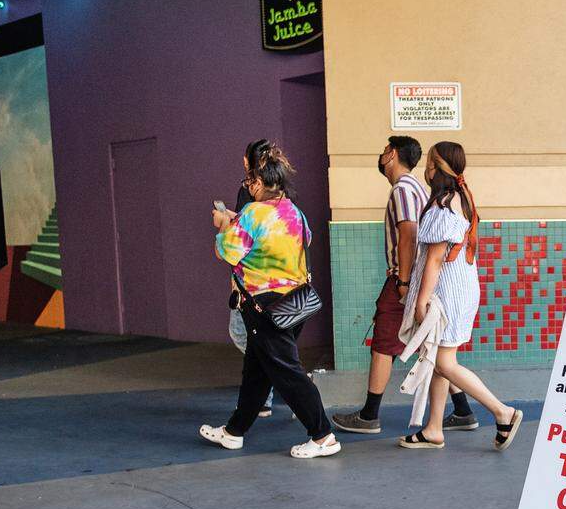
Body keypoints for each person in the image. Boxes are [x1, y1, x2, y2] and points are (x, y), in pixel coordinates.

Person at [199, 142, 340, 458]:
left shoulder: (251, 213)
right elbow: (302, 238)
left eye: (250, 180)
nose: (248, 185)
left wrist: (224, 226)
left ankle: (322, 435)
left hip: (265, 306)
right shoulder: (292, 210)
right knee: (258, 368)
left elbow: (227, 252)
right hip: (295, 303)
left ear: (259, 183)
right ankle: (234, 432)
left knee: (287, 372)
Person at [332, 136, 478, 434]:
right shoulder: (419, 190)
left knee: (385, 342)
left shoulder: (403, 190)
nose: (382, 154)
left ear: (393, 154)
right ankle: (461, 410)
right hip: (414, 281)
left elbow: (410, 237)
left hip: (405, 279)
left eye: (385, 150)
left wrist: (405, 282)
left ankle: (370, 415)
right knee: (434, 349)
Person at [397, 142, 522, 451]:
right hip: (461, 289)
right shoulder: (463, 198)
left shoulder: (443, 204)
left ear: (438, 168)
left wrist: (421, 301)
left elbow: (436, 258)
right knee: (441, 361)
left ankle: (502, 412)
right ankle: (434, 429)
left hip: (446, 295)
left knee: (445, 363)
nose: (425, 170)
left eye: (429, 163)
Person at [226, 139, 274, 418]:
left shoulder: (252, 195)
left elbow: (232, 246)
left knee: (247, 334)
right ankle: (260, 398)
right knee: (256, 338)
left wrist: (225, 224)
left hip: (254, 282)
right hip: (275, 282)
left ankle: (262, 396)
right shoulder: (285, 201)